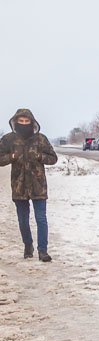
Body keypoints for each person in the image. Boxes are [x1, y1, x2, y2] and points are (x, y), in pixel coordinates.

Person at [0, 108, 57, 261]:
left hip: (38, 185)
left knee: (41, 219)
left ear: (32, 122)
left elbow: (53, 158)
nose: (24, 124)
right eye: (21, 121)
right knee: (23, 220)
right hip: (19, 186)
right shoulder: (8, 140)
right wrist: (11, 157)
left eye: (27, 121)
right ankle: (28, 245)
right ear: (15, 122)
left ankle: (43, 251)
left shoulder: (40, 139)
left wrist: (40, 156)